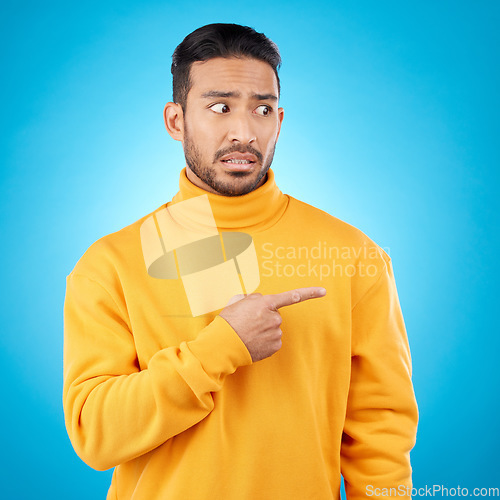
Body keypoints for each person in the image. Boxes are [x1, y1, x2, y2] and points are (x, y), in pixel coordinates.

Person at [63, 23, 418, 500]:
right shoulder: (111, 264)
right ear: (176, 121)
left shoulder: (353, 253)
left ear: (280, 120)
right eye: (219, 107)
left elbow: (381, 429)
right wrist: (220, 348)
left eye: (262, 109)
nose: (243, 131)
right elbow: (96, 434)